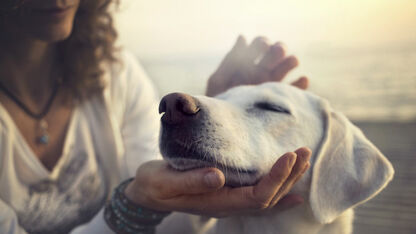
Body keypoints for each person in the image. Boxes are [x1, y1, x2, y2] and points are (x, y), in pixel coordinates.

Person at [0, 0, 311, 233]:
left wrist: (219, 122)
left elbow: (170, 224)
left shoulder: (113, 73)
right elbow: (148, 201)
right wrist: (133, 204)